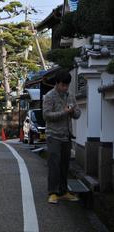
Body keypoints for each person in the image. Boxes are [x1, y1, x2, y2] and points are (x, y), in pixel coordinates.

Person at [43, 70, 81, 204]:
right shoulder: (49, 96)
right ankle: (52, 192)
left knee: (65, 165)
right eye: (63, 85)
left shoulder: (70, 95)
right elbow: (46, 116)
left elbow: (77, 114)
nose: (65, 88)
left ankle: (63, 191)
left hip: (67, 135)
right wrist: (64, 112)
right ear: (57, 83)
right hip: (53, 135)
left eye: (67, 85)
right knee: (54, 164)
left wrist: (73, 111)